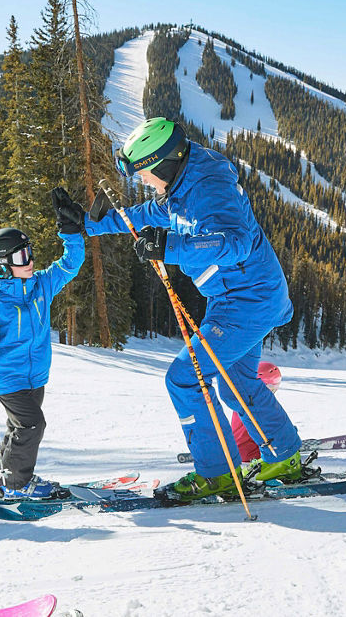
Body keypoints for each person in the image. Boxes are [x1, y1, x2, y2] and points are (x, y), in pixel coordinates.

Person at [86, 117, 301, 502]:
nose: (145, 183)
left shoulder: (209, 189)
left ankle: (217, 474)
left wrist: (170, 248)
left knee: (185, 377)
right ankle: (284, 457)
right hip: (239, 297)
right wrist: (88, 224)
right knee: (236, 383)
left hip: (247, 300)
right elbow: (149, 217)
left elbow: (234, 242)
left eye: (147, 174)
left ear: (165, 163)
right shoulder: (184, 182)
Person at [0, 188, 85, 499]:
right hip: (10, 380)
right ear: (0, 265)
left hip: (37, 376)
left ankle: (4, 477)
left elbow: (71, 264)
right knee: (31, 426)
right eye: (20, 257)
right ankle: (17, 482)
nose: (29, 261)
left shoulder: (40, 285)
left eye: (28, 253)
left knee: (19, 429)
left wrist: (71, 232)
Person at [230, 362, 283, 462]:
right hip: (252, 455)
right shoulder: (256, 405)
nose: (272, 393)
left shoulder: (244, 398)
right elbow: (273, 428)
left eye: (276, 388)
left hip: (240, 451)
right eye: (271, 389)